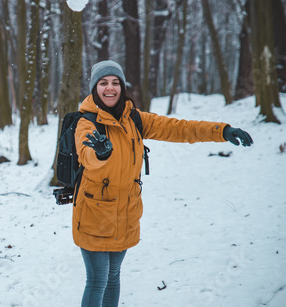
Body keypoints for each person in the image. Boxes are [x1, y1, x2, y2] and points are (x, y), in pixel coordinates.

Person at [73, 60, 253, 307]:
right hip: (95, 216)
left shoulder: (133, 119)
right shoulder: (87, 123)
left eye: (115, 82)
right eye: (103, 83)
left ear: (122, 87)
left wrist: (222, 131)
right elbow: (86, 154)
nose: (110, 88)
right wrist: (100, 153)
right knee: (97, 281)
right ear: (95, 89)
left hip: (125, 214)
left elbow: (178, 129)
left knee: (113, 278)